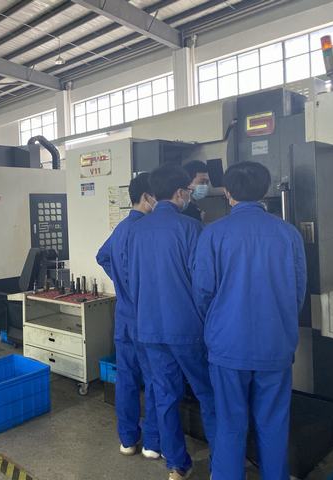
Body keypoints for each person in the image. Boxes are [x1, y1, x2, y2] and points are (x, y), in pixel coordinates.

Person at [192, 161, 307, 480]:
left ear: (228, 192)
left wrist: (217, 323)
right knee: (274, 423)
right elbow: (297, 292)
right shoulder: (288, 234)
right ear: (265, 190)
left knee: (230, 424)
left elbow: (203, 292)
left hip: (227, 345)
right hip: (275, 345)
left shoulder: (213, 234)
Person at [127, 164, 216, 480]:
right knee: (209, 394)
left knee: (164, 396)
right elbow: (203, 284)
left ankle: (177, 465)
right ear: (180, 193)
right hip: (187, 328)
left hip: (149, 328)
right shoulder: (191, 228)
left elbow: (131, 279)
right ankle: (221, 464)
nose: (191, 195)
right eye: (190, 191)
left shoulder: (137, 230)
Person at [96, 173, 160, 460]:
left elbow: (102, 256)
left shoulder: (121, 229)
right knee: (155, 380)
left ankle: (128, 439)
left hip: (124, 319)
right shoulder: (149, 230)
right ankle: (153, 443)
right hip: (148, 319)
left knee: (127, 380)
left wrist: (120, 282)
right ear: (147, 197)